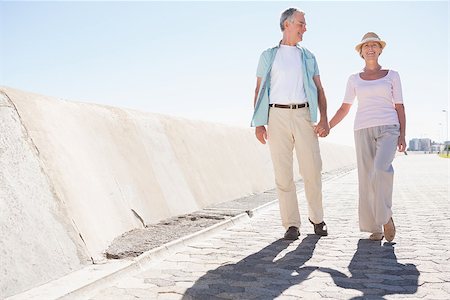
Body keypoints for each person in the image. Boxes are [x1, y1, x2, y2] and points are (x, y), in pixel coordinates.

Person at [251, 8, 329, 240]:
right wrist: (259, 123)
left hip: (304, 115)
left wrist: (324, 118)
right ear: (288, 24)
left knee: (312, 170)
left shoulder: (308, 56)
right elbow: (259, 89)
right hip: (276, 117)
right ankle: (291, 225)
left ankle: (317, 219)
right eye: (302, 23)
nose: (305, 28)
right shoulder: (268, 56)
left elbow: (320, 89)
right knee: (283, 174)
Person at [329, 32, 406, 242]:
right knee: (366, 179)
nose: (370, 48)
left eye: (374, 45)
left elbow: (399, 105)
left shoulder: (393, 75)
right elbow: (345, 108)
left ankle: (385, 217)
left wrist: (403, 134)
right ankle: (375, 227)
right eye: (366, 46)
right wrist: (328, 126)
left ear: (380, 50)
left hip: (389, 128)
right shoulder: (354, 79)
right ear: (361, 52)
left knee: (381, 170)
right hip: (362, 129)